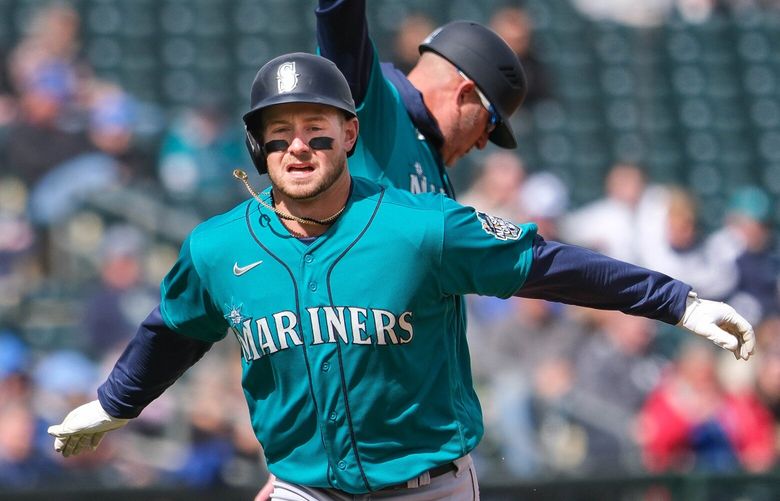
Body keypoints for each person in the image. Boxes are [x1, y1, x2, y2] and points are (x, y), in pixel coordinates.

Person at [48, 53, 755, 500]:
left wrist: (677, 300)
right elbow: (173, 329)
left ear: (351, 134)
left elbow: (551, 265)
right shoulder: (216, 247)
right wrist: (114, 404)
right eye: (280, 128)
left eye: (317, 125)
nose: (299, 142)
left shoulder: (421, 226)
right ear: (256, 145)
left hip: (429, 490)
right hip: (305, 491)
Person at [315, 0, 528, 198]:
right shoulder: (373, 97)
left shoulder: (438, 170)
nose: (482, 144)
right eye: (489, 124)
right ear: (463, 94)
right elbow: (339, 15)